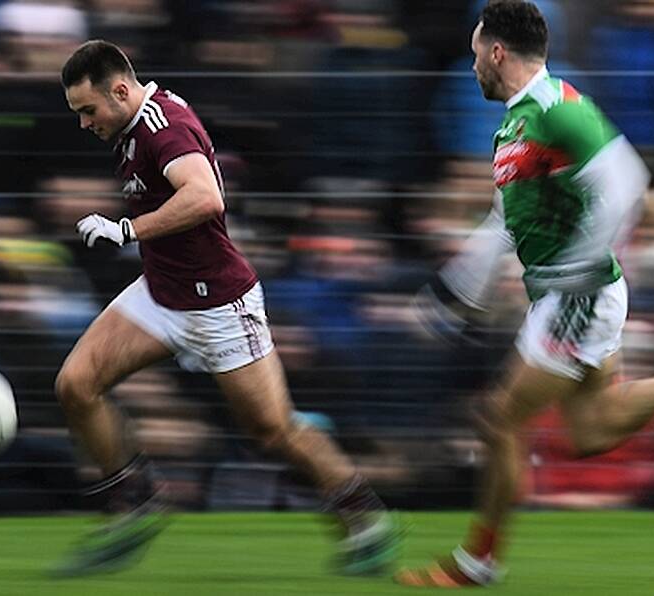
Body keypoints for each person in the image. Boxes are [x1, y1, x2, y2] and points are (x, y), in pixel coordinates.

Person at [395, 0, 654, 588]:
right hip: (567, 298)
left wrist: (578, 268)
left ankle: (477, 563)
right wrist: (452, 293)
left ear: (497, 52)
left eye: (474, 54)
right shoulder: (516, 124)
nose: (471, 67)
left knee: (497, 420)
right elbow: (502, 223)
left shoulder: (557, 109)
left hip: (579, 297)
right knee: (591, 432)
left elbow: (627, 183)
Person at [52, 39, 400, 576]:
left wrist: (126, 230)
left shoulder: (161, 127)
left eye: (88, 110)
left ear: (120, 91)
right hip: (162, 291)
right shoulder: (132, 121)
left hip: (219, 305)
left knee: (272, 431)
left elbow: (206, 197)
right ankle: (136, 503)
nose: (83, 123)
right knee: (75, 384)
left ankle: (362, 515)